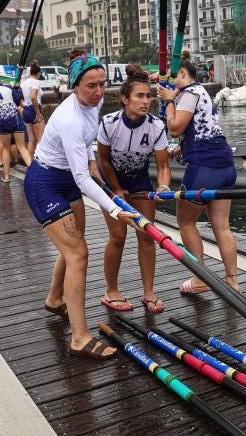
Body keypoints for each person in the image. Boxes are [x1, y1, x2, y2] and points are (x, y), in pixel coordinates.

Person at [24, 50, 137, 360]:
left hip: (67, 179)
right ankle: (79, 338)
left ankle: (54, 299)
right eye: (91, 86)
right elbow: (84, 181)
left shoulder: (93, 103)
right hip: (44, 183)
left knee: (74, 247)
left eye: (102, 84)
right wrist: (115, 209)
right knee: (78, 254)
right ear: (75, 85)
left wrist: (90, 161)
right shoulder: (70, 119)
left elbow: (88, 143)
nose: (98, 92)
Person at [157, 52, 240, 293]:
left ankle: (200, 278)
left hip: (204, 168)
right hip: (225, 166)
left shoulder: (188, 94)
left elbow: (175, 128)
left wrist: (169, 101)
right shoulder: (202, 92)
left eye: (172, 78)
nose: (169, 84)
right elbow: (202, 130)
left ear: (182, 74)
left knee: (185, 221)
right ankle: (232, 280)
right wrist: (178, 150)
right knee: (222, 227)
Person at [97, 64, 172, 314]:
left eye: (148, 96)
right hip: (111, 182)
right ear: (125, 99)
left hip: (139, 181)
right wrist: (116, 189)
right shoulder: (109, 123)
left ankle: (149, 293)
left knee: (146, 236)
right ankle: (111, 290)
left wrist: (163, 186)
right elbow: (103, 161)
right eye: (139, 96)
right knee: (118, 236)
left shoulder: (156, 126)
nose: (146, 101)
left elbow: (163, 165)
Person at [0, 70, 31, 181]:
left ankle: (6, 176)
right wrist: (17, 89)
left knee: (6, 149)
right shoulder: (8, 88)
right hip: (15, 119)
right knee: (22, 148)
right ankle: (34, 173)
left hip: (3, 122)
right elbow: (18, 101)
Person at [20, 61, 46, 157]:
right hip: (34, 109)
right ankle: (40, 162)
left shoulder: (24, 83)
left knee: (32, 140)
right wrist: (38, 114)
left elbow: (22, 98)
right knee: (40, 140)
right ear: (39, 73)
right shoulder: (36, 82)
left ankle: (30, 162)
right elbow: (33, 97)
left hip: (26, 110)